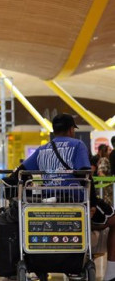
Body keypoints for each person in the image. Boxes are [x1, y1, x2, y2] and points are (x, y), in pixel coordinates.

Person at [19, 113, 115, 280]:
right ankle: (110, 274)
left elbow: (22, 171)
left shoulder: (42, 149)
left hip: (48, 203)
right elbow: (85, 176)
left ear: (54, 131)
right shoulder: (78, 145)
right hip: (76, 202)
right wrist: (92, 203)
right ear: (71, 130)